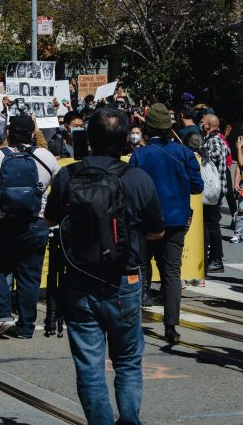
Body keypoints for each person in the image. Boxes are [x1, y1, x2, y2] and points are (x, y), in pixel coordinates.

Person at [44, 108, 165, 424]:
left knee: (89, 364)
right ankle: (129, 419)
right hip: (124, 280)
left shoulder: (68, 175)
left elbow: (50, 218)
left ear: (86, 138)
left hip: (79, 280)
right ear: (126, 141)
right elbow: (157, 230)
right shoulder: (137, 178)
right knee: (127, 361)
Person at [0, 114, 59, 338]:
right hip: (35, 222)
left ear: (9, 134)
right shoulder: (45, 156)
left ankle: (3, 316)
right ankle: (26, 326)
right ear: (32, 135)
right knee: (29, 276)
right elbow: (60, 181)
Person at [129, 103, 203, 344]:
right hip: (175, 220)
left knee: (140, 268)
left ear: (147, 128)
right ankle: (171, 325)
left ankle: (133, 320)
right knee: (171, 274)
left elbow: (130, 187)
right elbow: (197, 186)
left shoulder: (140, 155)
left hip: (145, 221)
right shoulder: (183, 153)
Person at [199, 114, 230, 274]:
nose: (201, 124)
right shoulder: (212, 138)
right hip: (213, 189)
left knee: (212, 224)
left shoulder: (215, 140)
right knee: (210, 223)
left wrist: (201, 152)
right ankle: (213, 258)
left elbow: (217, 154)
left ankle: (216, 259)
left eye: (203, 122)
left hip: (214, 189)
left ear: (209, 126)